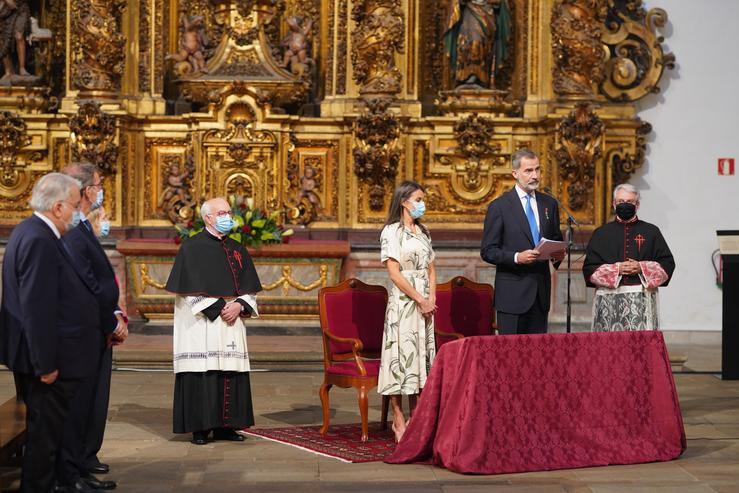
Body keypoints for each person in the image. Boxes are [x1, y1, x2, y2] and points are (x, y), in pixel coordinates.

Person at [0, 173, 102, 493]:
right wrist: (45, 364)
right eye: (74, 205)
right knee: (44, 439)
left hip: (43, 353)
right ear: (58, 207)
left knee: (48, 434)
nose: (77, 212)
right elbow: (37, 307)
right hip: (42, 359)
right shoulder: (38, 239)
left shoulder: (34, 233)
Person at [165, 197, 262, 445]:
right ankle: (200, 428)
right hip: (201, 323)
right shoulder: (191, 248)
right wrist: (221, 307)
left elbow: (249, 288)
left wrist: (240, 305)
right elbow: (187, 290)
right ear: (207, 218)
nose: (227, 217)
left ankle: (226, 427)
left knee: (230, 370)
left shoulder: (238, 249)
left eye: (229, 212)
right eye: (221, 213)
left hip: (231, 319)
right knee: (203, 371)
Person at [59, 163, 127, 491]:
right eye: (98, 184)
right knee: (78, 402)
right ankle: (72, 471)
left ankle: (84, 459)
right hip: (84, 330)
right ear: (86, 190)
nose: (101, 190)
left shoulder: (83, 225)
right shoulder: (73, 229)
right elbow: (86, 282)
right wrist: (110, 321)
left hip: (95, 328)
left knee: (93, 398)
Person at [480, 148, 565, 334]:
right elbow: (488, 251)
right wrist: (517, 257)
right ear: (515, 173)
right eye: (528, 171)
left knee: (538, 356)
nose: (535, 176)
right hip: (512, 296)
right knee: (510, 356)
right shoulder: (499, 207)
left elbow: (555, 239)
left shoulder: (549, 204)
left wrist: (558, 254)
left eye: (537, 170)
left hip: (540, 295)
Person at [377, 181, 437, 443]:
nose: (422, 203)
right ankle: (398, 417)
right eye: (418, 199)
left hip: (425, 302)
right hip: (404, 302)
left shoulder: (424, 231)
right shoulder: (391, 232)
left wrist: (431, 298)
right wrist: (419, 299)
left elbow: (432, 269)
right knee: (399, 358)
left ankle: (419, 416)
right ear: (404, 201)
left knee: (421, 358)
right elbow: (393, 272)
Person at [583, 184, 675, 331]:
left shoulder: (651, 232)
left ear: (637, 204)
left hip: (641, 299)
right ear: (614, 204)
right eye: (620, 201)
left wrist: (641, 267)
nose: (625, 205)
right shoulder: (601, 233)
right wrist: (617, 269)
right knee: (611, 348)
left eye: (630, 202)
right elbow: (589, 269)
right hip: (609, 300)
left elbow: (668, 264)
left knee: (639, 348)